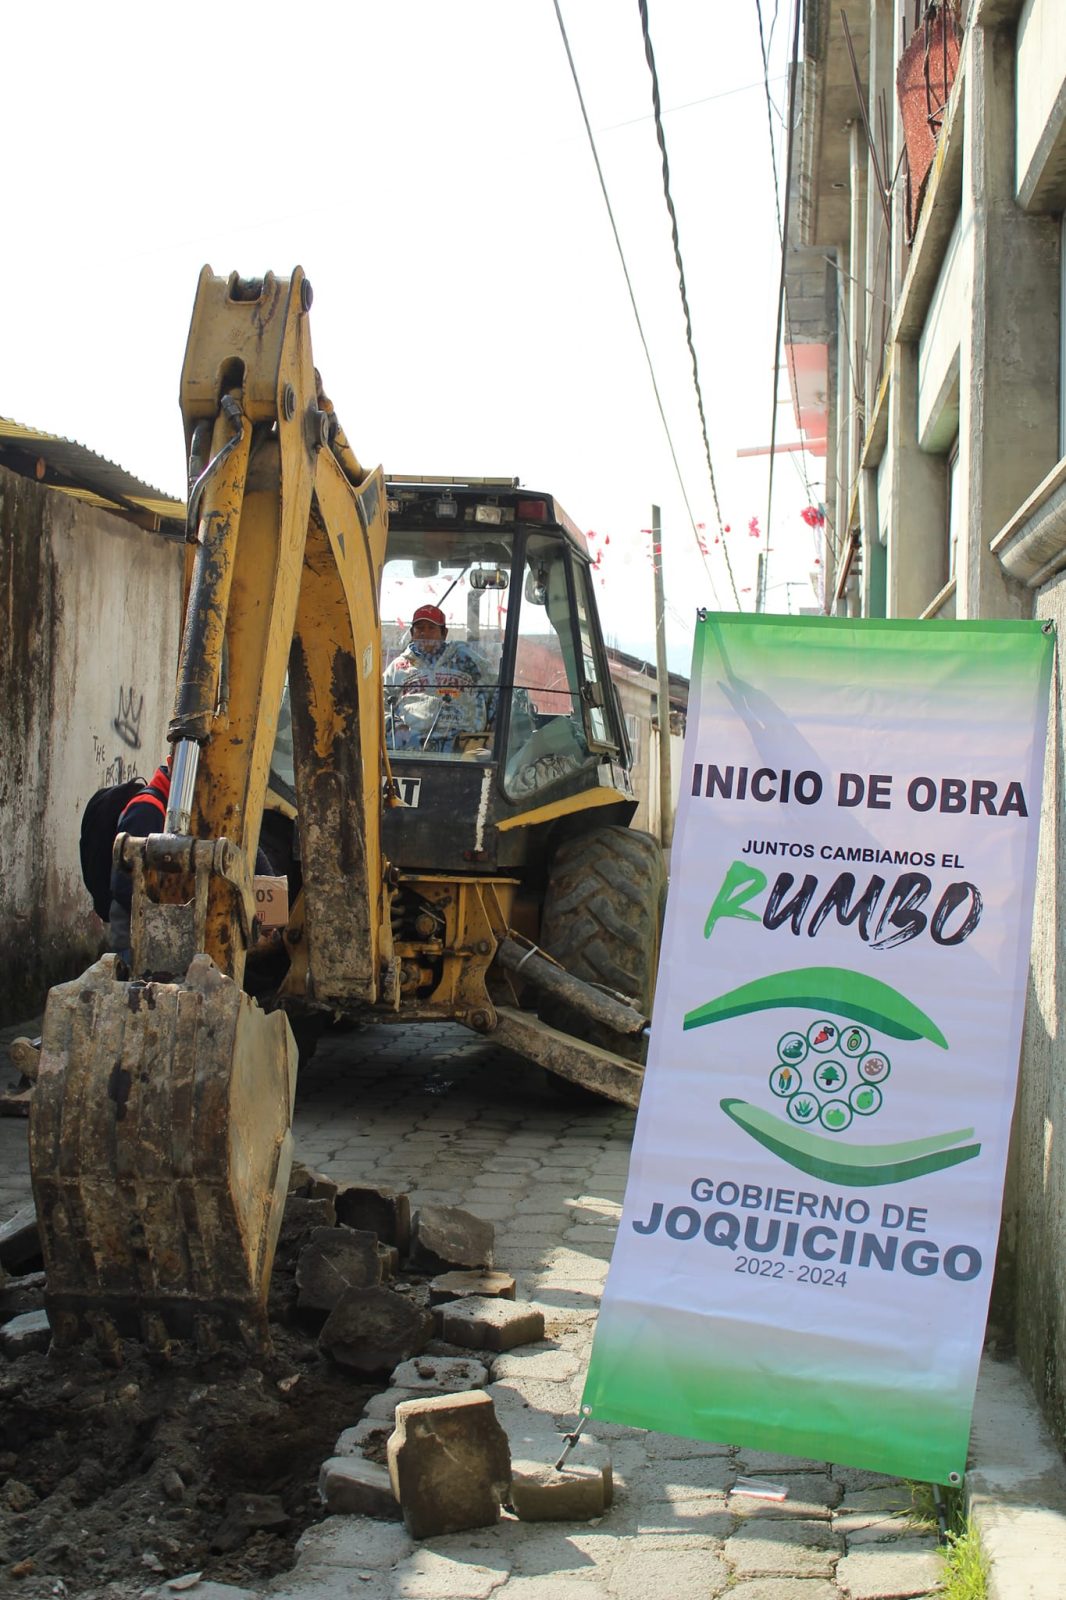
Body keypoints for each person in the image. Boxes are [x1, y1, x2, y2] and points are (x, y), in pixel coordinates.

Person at [384, 602, 489, 753]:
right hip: (410, 748)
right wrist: (396, 726)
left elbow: (495, 687)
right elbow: (380, 702)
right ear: (412, 633)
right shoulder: (398, 666)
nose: (424, 633)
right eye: (419, 628)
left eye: (431, 628)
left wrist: (493, 729)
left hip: (463, 747)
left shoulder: (465, 657)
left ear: (444, 633)